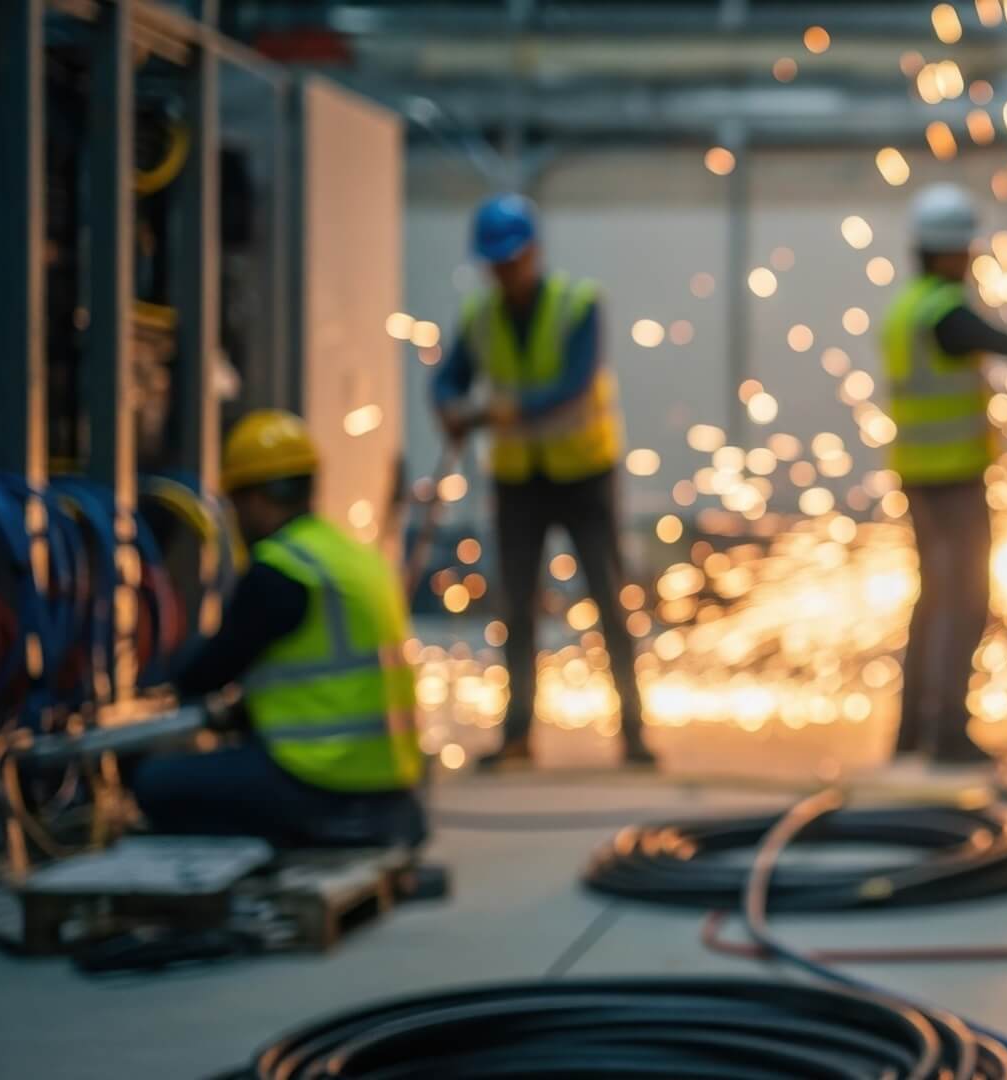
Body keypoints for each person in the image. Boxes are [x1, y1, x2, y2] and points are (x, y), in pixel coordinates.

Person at [129, 410, 426, 848]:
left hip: (321, 785)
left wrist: (153, 677)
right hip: (392, 787)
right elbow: (326, 684)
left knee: (154, 784)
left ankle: (293, 840)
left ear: (254, 500)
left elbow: (202, 675)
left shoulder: (282, 571)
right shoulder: (354, 556)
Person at [432, 193, 653, 770]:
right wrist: (448, 405)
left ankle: (633, 733)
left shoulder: (578, 306)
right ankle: (517, 734)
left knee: (608, 600)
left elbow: (572, 387)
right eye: (496, 264)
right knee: (518, 607)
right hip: (518, 482)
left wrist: (490, 412)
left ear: (533, 252)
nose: (506, 273)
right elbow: (448, 378)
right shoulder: (481, 318)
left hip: (585, 474)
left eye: (513, 260)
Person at [881, 183, 1007, 764]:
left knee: (932, 600)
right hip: (951, 479)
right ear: (948, 253)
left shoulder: (906, 308)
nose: (971, 258)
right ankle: (947, 734)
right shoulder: (944, 313)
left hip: (918, 474)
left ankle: (911, 735)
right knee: (964, 601)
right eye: (966, 249)